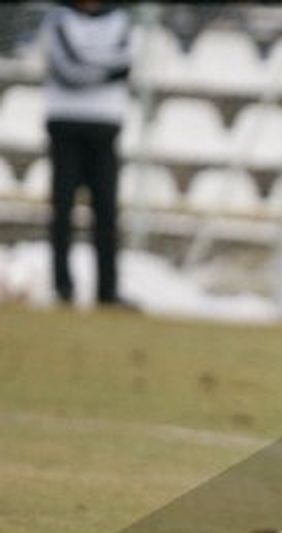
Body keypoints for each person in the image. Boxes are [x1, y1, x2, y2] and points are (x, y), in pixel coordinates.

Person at [41, 0, 134, 308]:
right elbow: (67, 68)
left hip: (105, 126)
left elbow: (126, 63)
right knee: (63, 210)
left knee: (107, 212)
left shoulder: (120, 19)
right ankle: (63, 288)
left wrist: (90, 68)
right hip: (65, 124)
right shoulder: (58, 19)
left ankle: (107, 292)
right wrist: (103, 69)